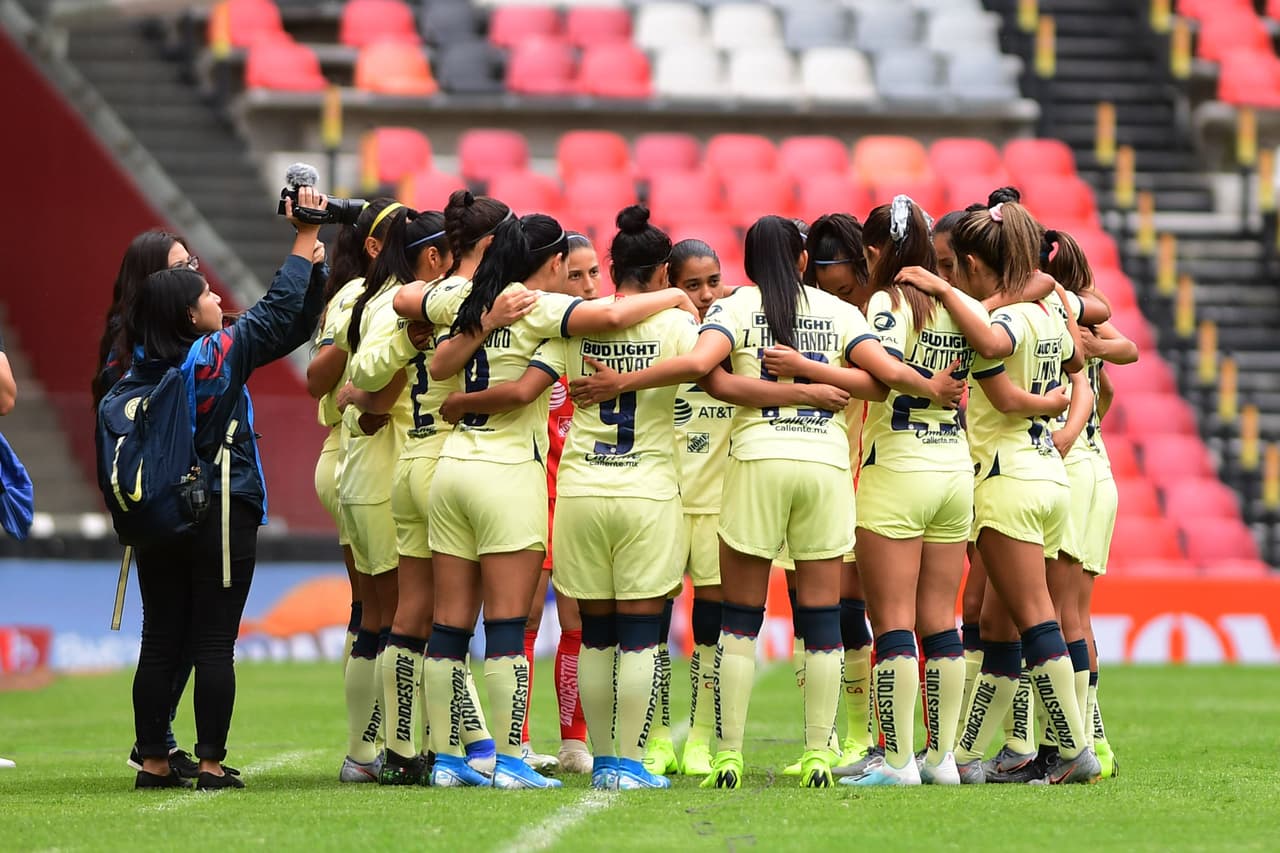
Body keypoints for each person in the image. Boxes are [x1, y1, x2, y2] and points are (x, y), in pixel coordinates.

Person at [570, 215, 965, 790]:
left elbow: (703, 371)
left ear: (748, 267)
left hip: (756, 460)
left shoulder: (736, 309)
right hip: (824, 466)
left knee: (738, 621)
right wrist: (828, 383)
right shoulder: (840, 313)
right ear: (804, 260)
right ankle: (817, 756)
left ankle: (726, 755)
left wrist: (621, 383)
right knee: (824, 620)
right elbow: (880, 383)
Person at [394, 211, 700, 789]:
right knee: (510, 626)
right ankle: (511, 761)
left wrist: (472, 353)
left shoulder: (465, 294)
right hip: (510, 474)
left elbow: (429, 349)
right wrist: (674, 300)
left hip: (452, 467)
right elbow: (608, 314)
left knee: (450, 626)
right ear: (554, 263)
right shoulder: (544, 308)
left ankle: (451, 763)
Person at [120, 187, 327, 790]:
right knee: (214, 638)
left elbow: (277, 326)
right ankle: (210, 760)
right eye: (202, 288)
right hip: (219, 507)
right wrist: (305, 237)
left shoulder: (136, 362)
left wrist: (308, 275)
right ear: (187, 312)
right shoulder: (215, 355)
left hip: (157, 515)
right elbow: (271, 313)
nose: (214, 293)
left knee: (160, 638)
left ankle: (154, 759)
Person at [897, 199, 1101, 785]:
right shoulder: (1045, 313)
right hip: (1049, 475)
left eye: (955, 269)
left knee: (1034, 620)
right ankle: (991, 750)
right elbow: (1079, 356)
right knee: (1011, 620)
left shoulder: (999, 323)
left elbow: (991, 347)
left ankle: (1072, 750)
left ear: (971, 265)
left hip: (1006, 478)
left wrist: (943, 291)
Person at [808, 196, 980, 786]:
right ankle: (944, 761)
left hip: (898, 471)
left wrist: (925, 384)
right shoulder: (958, 303)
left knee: (894, 624)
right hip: (955, 470)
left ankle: (899, 760)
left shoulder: (887, 301)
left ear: (876, 252)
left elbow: (880, 368)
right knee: (942, 620)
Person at [1044, 229, 1136, 780]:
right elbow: (1126, 355)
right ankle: (1094, 739)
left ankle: (1073, 740)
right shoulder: (1087, 319)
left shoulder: (1041, 318)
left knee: (1057, 616)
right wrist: (1096, 351)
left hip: (1068, 468)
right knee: (1077, 614)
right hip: (1099, 469)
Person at [519, 231, 600, 775]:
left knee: (578, 621)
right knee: (521, 620)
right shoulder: (533, 331)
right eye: (577, 275)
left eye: (596, 273)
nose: (591, 286)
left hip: (582, 493)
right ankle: (516, 740)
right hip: (529, 488)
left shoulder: (608, 335)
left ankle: (575, 741)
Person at [307, 198, 398, 680]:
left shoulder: (345, 292)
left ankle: (365, 742)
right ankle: (391, 744)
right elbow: (318, 381)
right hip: (361, 452)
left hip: (341, 455)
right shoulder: (367, 296)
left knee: (367, 608)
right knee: (396, 614)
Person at [649, 238, 728, 778]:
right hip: (660, 499)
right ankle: (653, 734)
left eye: (712, 282)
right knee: (650, 619)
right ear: (667, 282)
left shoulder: (732, 334)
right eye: (690, 284)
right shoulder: (654, 334)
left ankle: (700, 736)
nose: (703, 295)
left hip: (720, 504)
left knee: (712, 625)